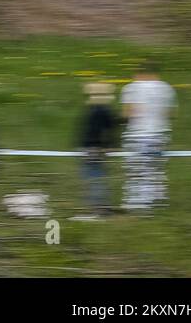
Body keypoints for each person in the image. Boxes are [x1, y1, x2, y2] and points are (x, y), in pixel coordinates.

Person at [120, 61, 175, 212]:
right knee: (156, 169)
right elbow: (168, 113)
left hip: (138, 135)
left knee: (137, 170)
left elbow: (128, 113)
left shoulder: (131, 88)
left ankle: (140, 205)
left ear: (140, 73)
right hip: (159, 135)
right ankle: (158, 201)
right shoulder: (166, 88)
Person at [74, 82, 120, 220]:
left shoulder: (93, 110)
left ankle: (98, 207)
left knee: (93, 178)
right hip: (95, 148)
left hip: (89, 148)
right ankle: (100, 208)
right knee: (96, 178)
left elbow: (89, 131)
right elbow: (111, 129)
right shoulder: (104, 111)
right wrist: (109, 145)